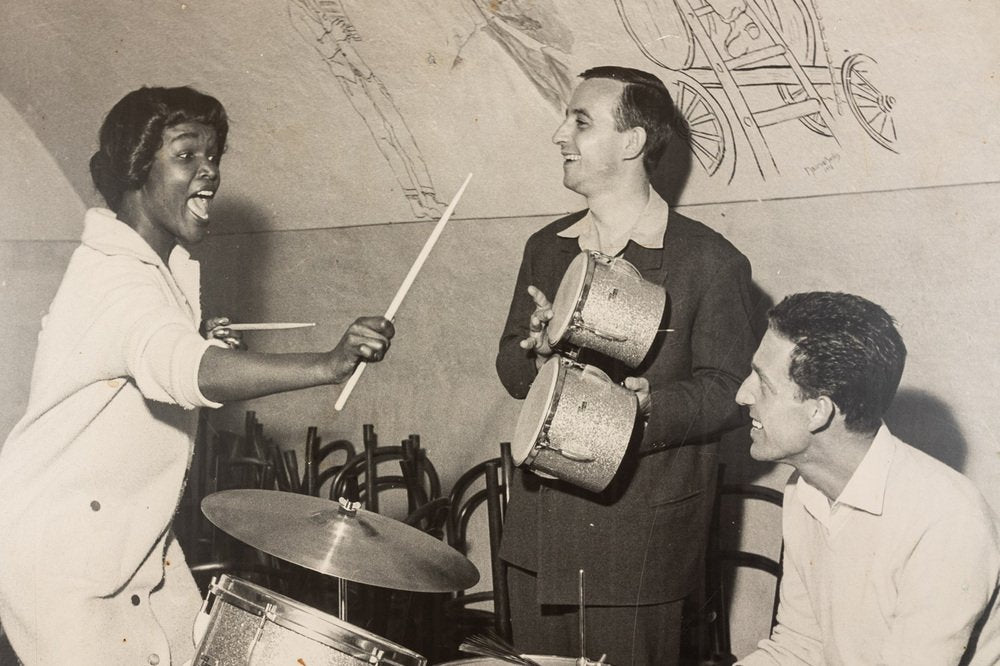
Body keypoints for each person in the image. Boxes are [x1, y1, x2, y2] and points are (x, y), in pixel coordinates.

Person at [0, 86, 394, 666]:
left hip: (136, 545)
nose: (210, 172)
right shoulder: (115, 277)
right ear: (136, 170)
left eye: (214, 157)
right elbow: (187, 370)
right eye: (187, 155)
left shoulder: (159, 270)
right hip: (61, 557)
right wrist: (328, 365)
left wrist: (200, 333)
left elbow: (160, 353)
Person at [495, 65, 756, 665]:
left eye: (580, 121)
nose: (560, 135)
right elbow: (511, 366)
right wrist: (533, 351)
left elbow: (730, 390)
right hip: (539, 537)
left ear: (633, 142)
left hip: (639, 545)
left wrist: (644, 412)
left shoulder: (711, 262)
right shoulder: (547, 247)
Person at [735, 291, 1000, 665]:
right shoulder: (805, 488)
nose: (742, 394)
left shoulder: (948, 523)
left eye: (763, 382)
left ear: (818, 412)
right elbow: (798, 648)